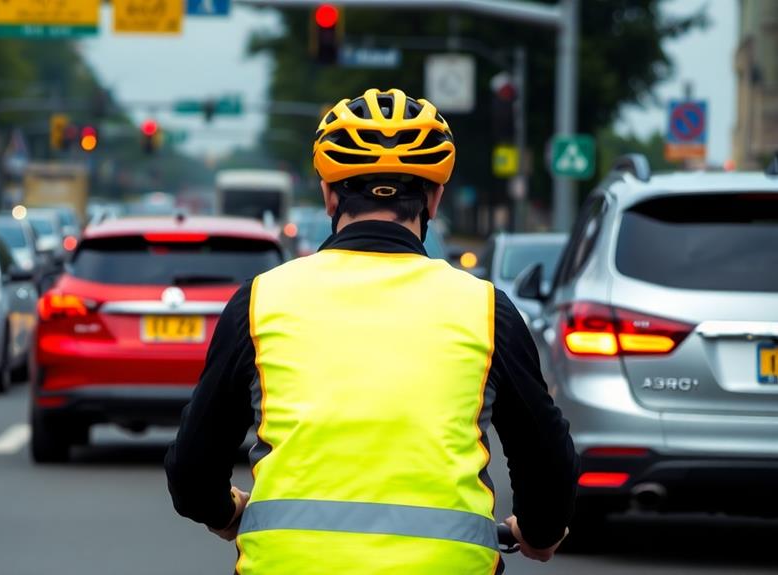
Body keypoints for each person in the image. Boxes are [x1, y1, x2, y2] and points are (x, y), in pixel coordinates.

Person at [165, 88, 579, 574]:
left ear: (329, 194)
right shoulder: (486, 310)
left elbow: (191, 472)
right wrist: (539, 532)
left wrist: (226, 512)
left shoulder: (260, 302)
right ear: (434, 198)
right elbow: (549, 461)